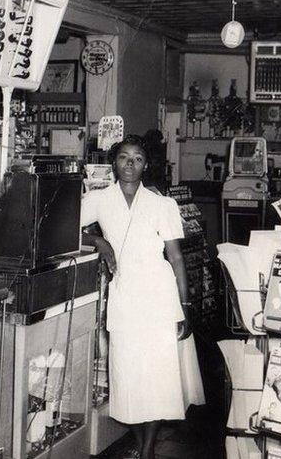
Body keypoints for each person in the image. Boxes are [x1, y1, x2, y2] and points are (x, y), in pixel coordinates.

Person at [80, 135, 192, 459]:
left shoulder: (162, 205)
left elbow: (177, 258)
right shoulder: (99, 199)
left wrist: (185, 307)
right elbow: (64, 224)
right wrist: (98, 243)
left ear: (146, 164)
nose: (130, 164)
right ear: (114, 162)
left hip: (159, 296)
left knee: (157, 377)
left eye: (138, 158)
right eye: (124, 157)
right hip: (125, 295)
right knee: (128, 376)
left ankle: (147, 450)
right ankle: (144, 445)